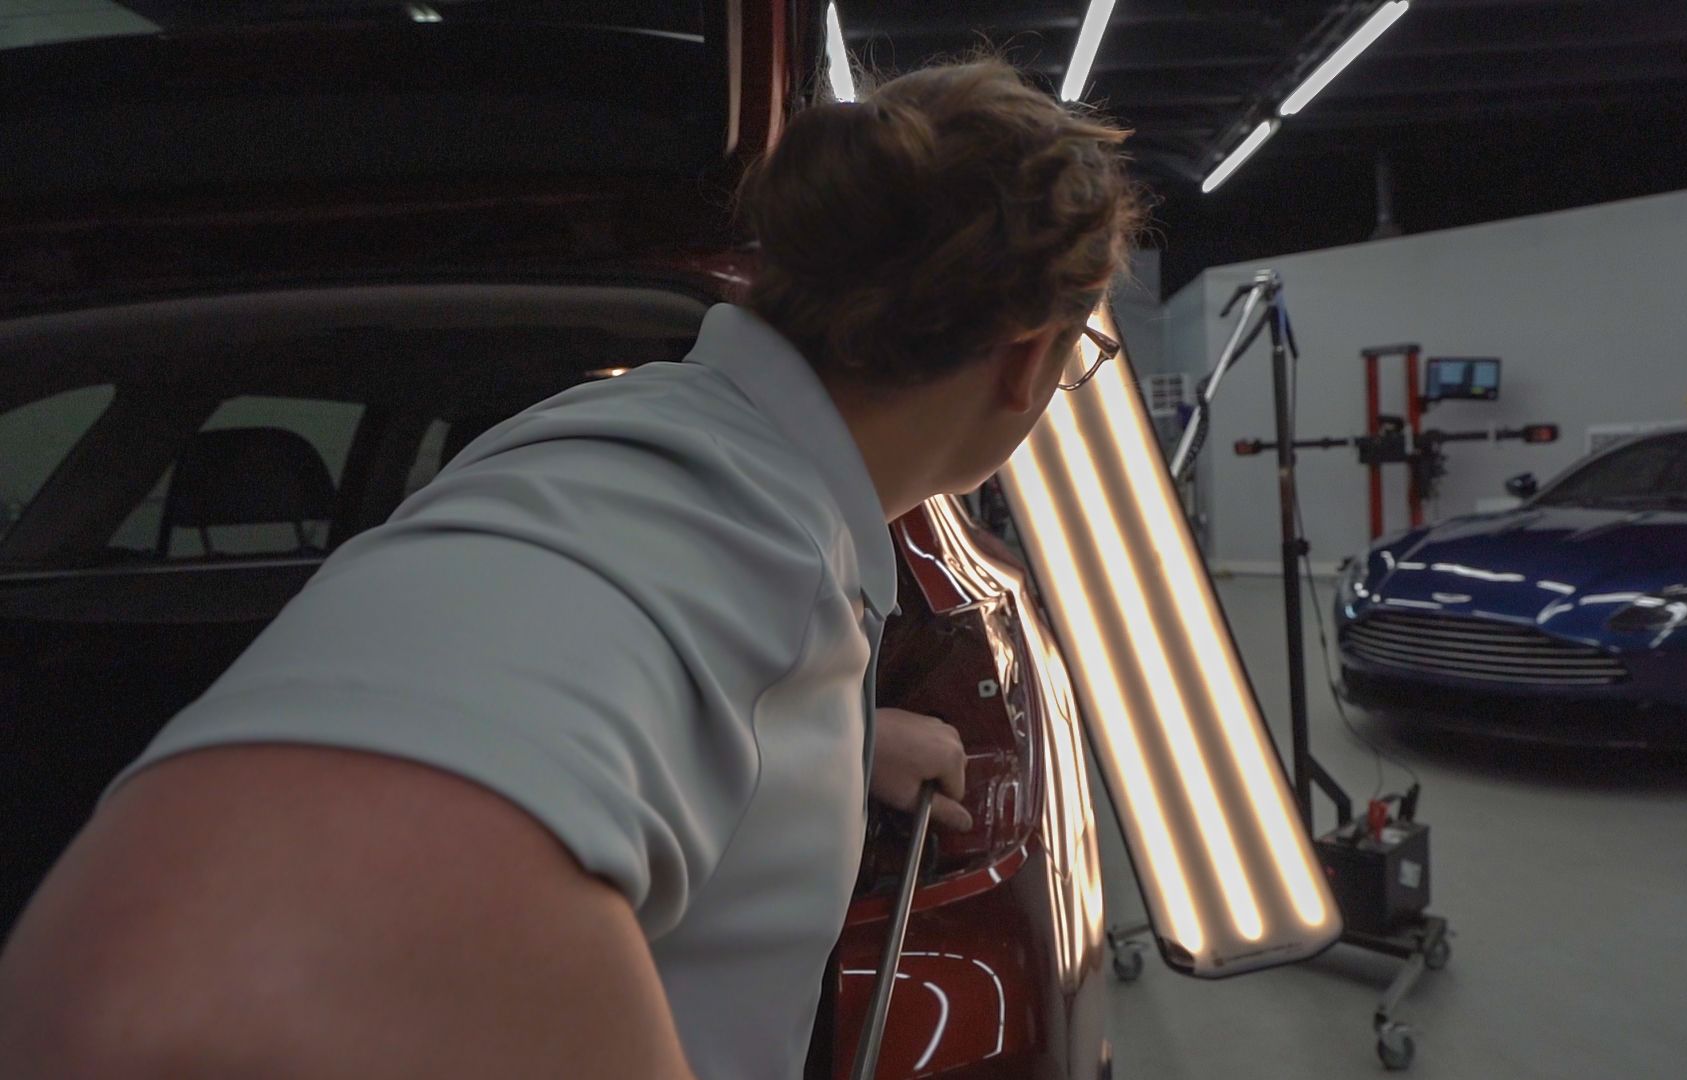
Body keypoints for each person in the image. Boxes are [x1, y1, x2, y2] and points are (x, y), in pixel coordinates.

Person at [0, 58, 1141, 1079]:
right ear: (1027, 358)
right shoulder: (705, 517)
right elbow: (179, 981)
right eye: (1082, 353)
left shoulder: (706, 482)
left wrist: (832, 741)